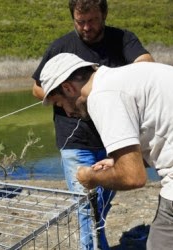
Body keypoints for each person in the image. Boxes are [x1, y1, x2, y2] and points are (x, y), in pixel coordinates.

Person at [38, 52, 173, 249]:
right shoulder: (127, 76)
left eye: (60, 103)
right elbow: (166, 134)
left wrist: (91, 177)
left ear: (68, 88)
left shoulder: (103, 95)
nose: (67, 113)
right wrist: (117, 163)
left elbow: (133, 178)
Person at [30, 0, 153, 248]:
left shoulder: (122, 39)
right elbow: (36, 88)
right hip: (75, 139)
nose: (86, 27)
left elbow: (146, 64)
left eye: (92, 21)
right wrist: (67, 101)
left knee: (100, 206)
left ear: (104, 15)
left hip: (114, 139)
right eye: (80, 22)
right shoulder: (61, 46)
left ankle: (96, 239)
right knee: (87, 209)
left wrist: (112, 88)